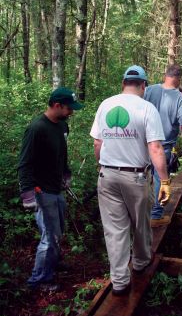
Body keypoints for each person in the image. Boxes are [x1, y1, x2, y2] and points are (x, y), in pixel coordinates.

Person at [90, 65, 170, 296]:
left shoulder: (105, 105)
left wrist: (102, 165)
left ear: (123, 83)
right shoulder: (147, 108)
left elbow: (97, 143)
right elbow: (155, 147)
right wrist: (164, 180)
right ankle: (141, 262)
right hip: (136, 177)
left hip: (107, 175)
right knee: (140, 223)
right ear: (143, 85)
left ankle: (119, 281)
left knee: (114, 230)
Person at [18, 87, 84, 291]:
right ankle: (39, 280)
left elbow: (61, 154)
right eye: (68, 108)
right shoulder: (37, 128)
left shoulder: (62, 126)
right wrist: (28, 194)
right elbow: (24, 163)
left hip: (56, 189)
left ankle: (52, 263)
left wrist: (65, 174)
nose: (71, 112)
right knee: (49, 236)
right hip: (42, 191)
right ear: (57, 105)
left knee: (58, 230)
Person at [144, 65, 182, 227]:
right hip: (162, 146)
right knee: (160, 178)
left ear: (165, 75)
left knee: (141, 177)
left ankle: (139, 214)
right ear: (179, 78)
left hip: (142, 144)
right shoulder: (180, 98)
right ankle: (155, 215)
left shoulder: (148, 90)